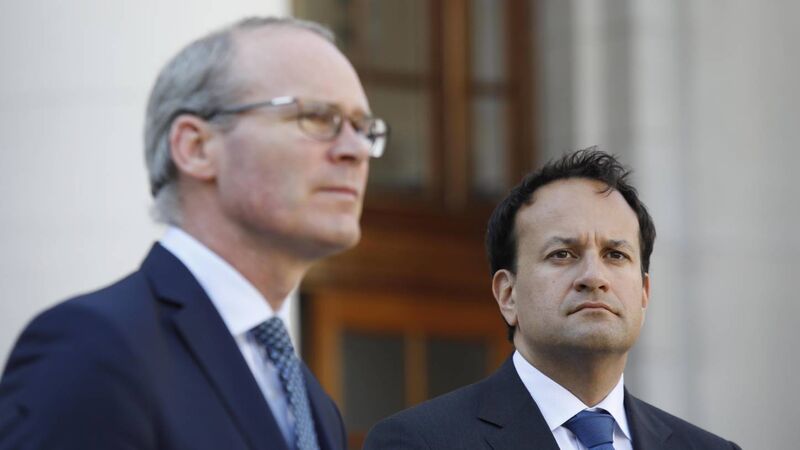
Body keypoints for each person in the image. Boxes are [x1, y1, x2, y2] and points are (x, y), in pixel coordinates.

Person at [0, 16, 387, 450]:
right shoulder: (93, 346)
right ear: (196, 148)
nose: (356, 150)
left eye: (363, 129)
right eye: (316, 117)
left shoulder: (314, 405)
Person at [363, 149, 740, 450]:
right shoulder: (419, 442)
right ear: (508, 295)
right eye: (562, 254)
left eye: (615, 255)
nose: (594, 277)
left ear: (644, 293)